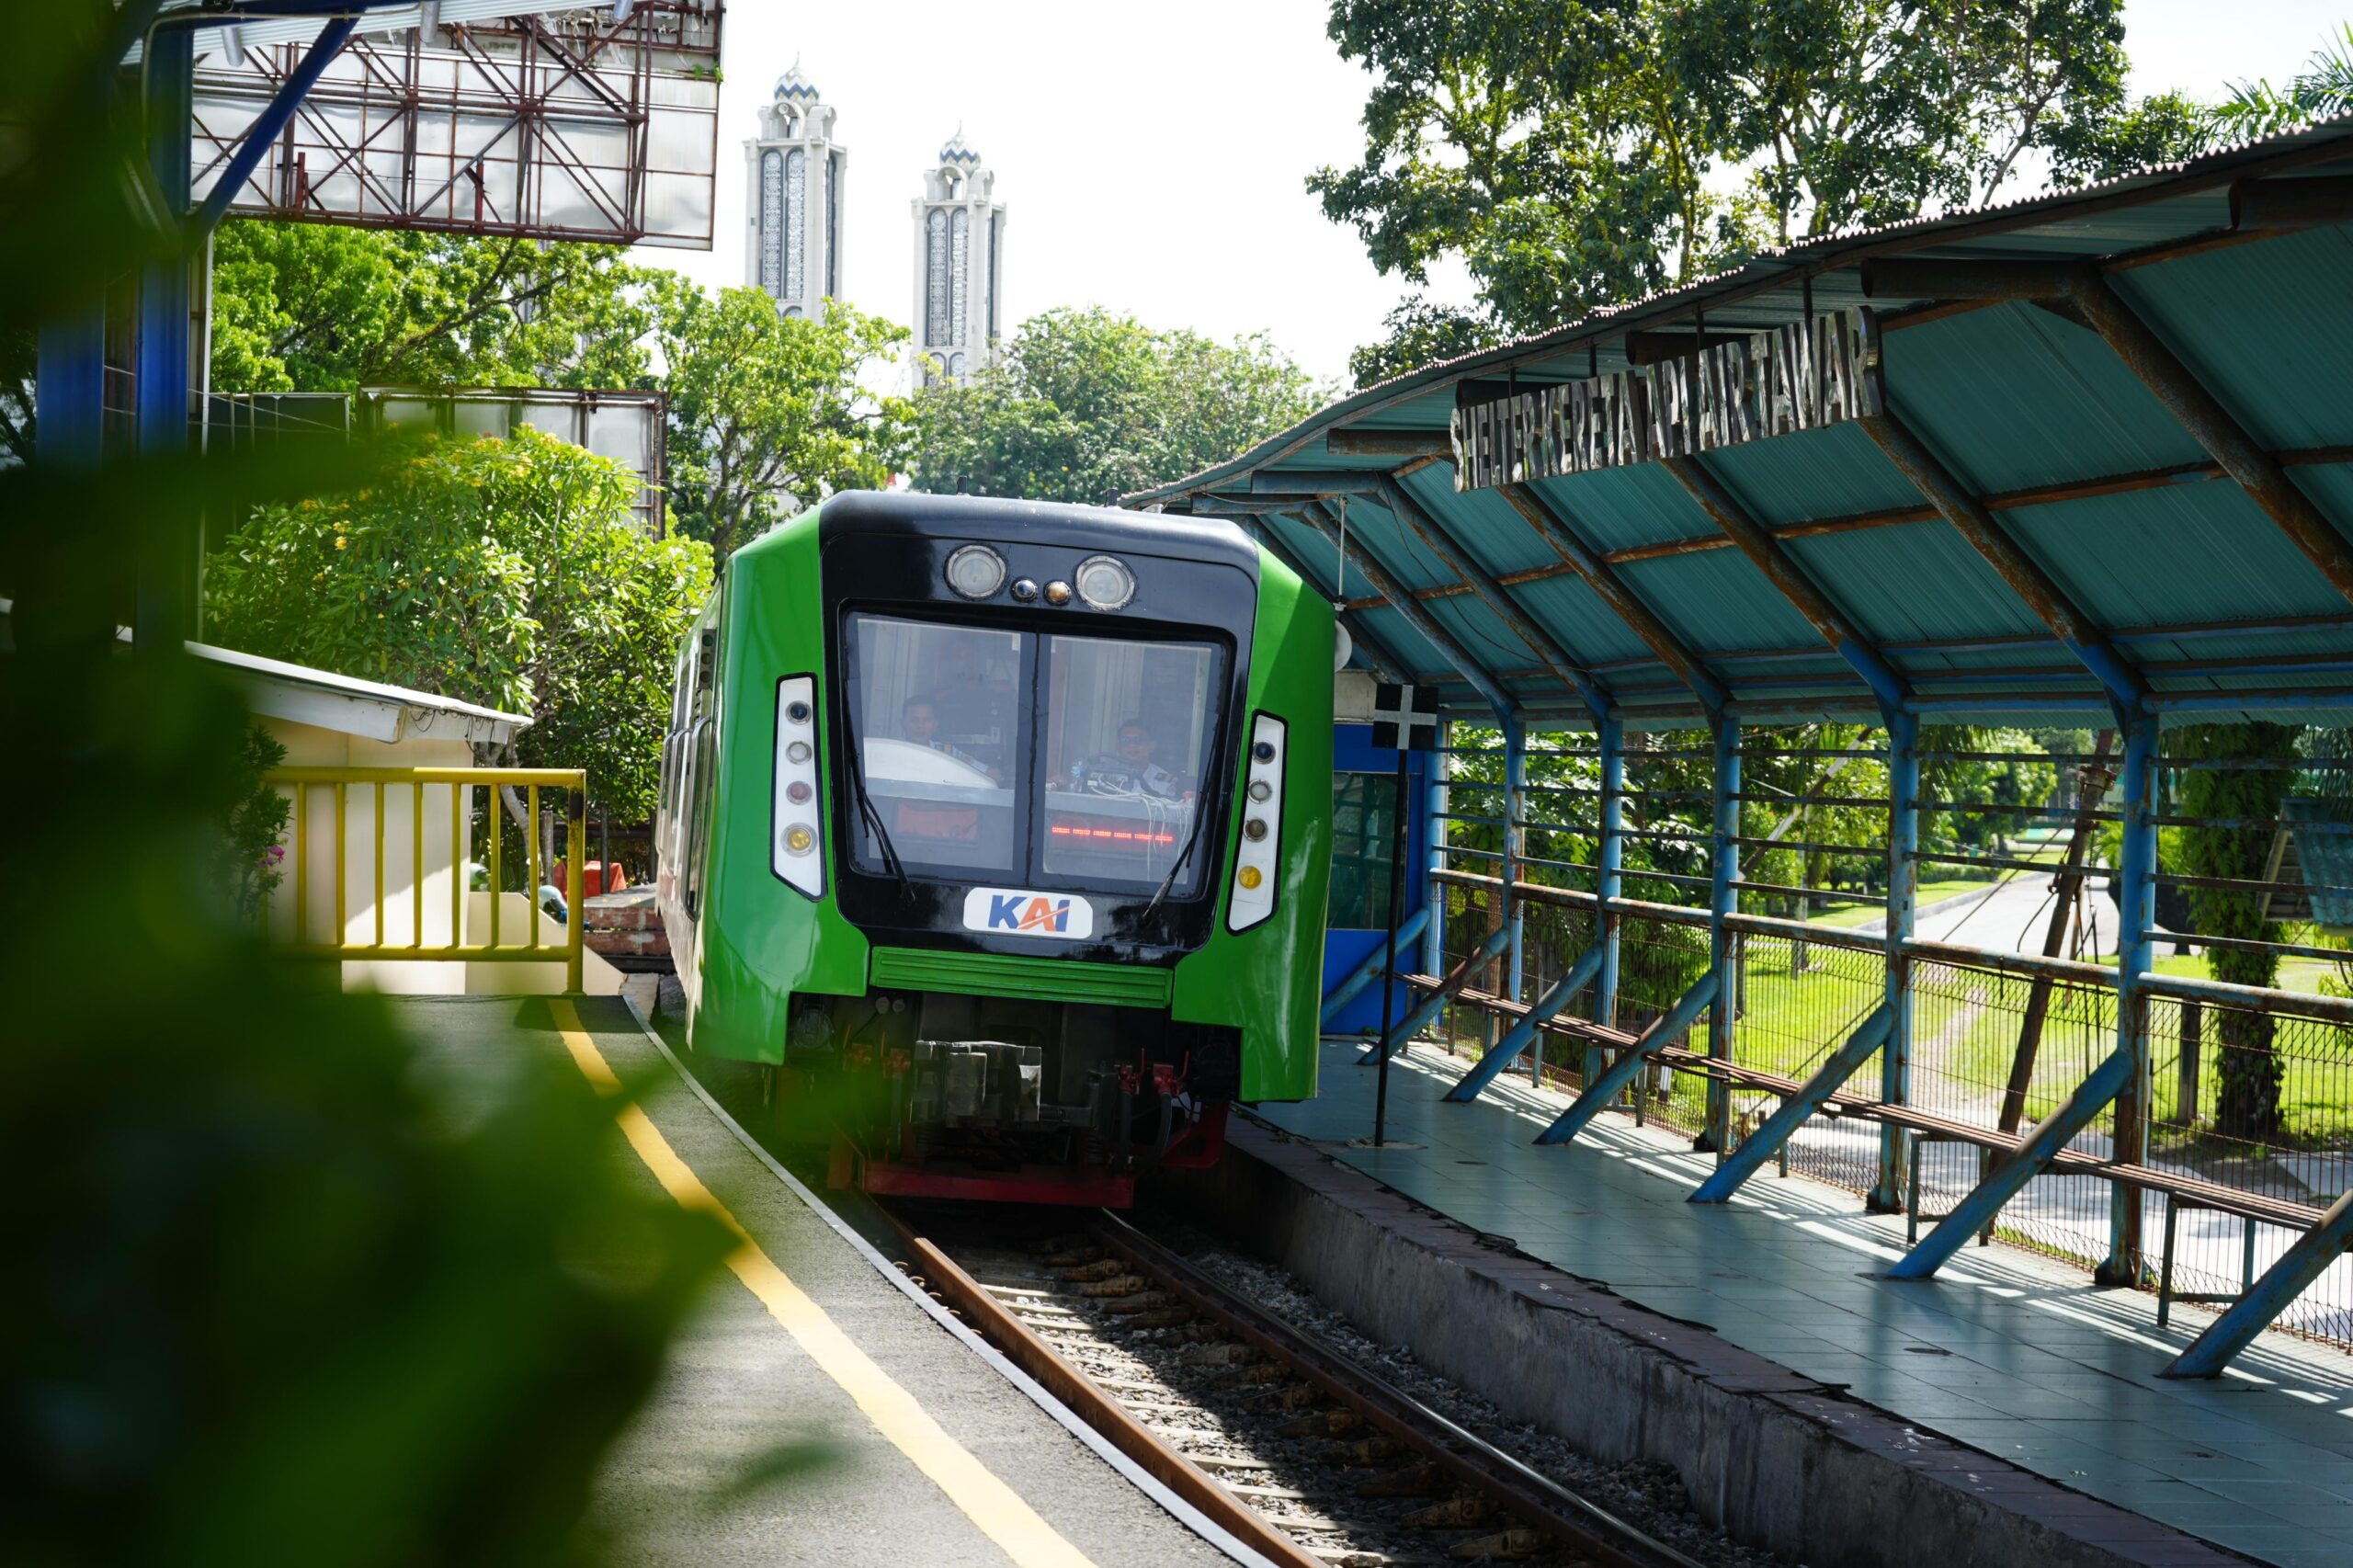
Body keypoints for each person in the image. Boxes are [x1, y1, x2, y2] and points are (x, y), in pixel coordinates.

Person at [1076, 719, 1191, 801]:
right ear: (1118, 747)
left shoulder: (1165, 780)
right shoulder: (1104, 776)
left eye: (1139, 740)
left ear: (1151, 746)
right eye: (1125, 741)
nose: (1132, 745)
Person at [900, 696, 999, 780]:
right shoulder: (893, 750)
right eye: (914, 720)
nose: (920, 726)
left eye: (926, 720)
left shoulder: (947, 751)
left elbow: (992, 774)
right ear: (903, 723)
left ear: (935, 725)